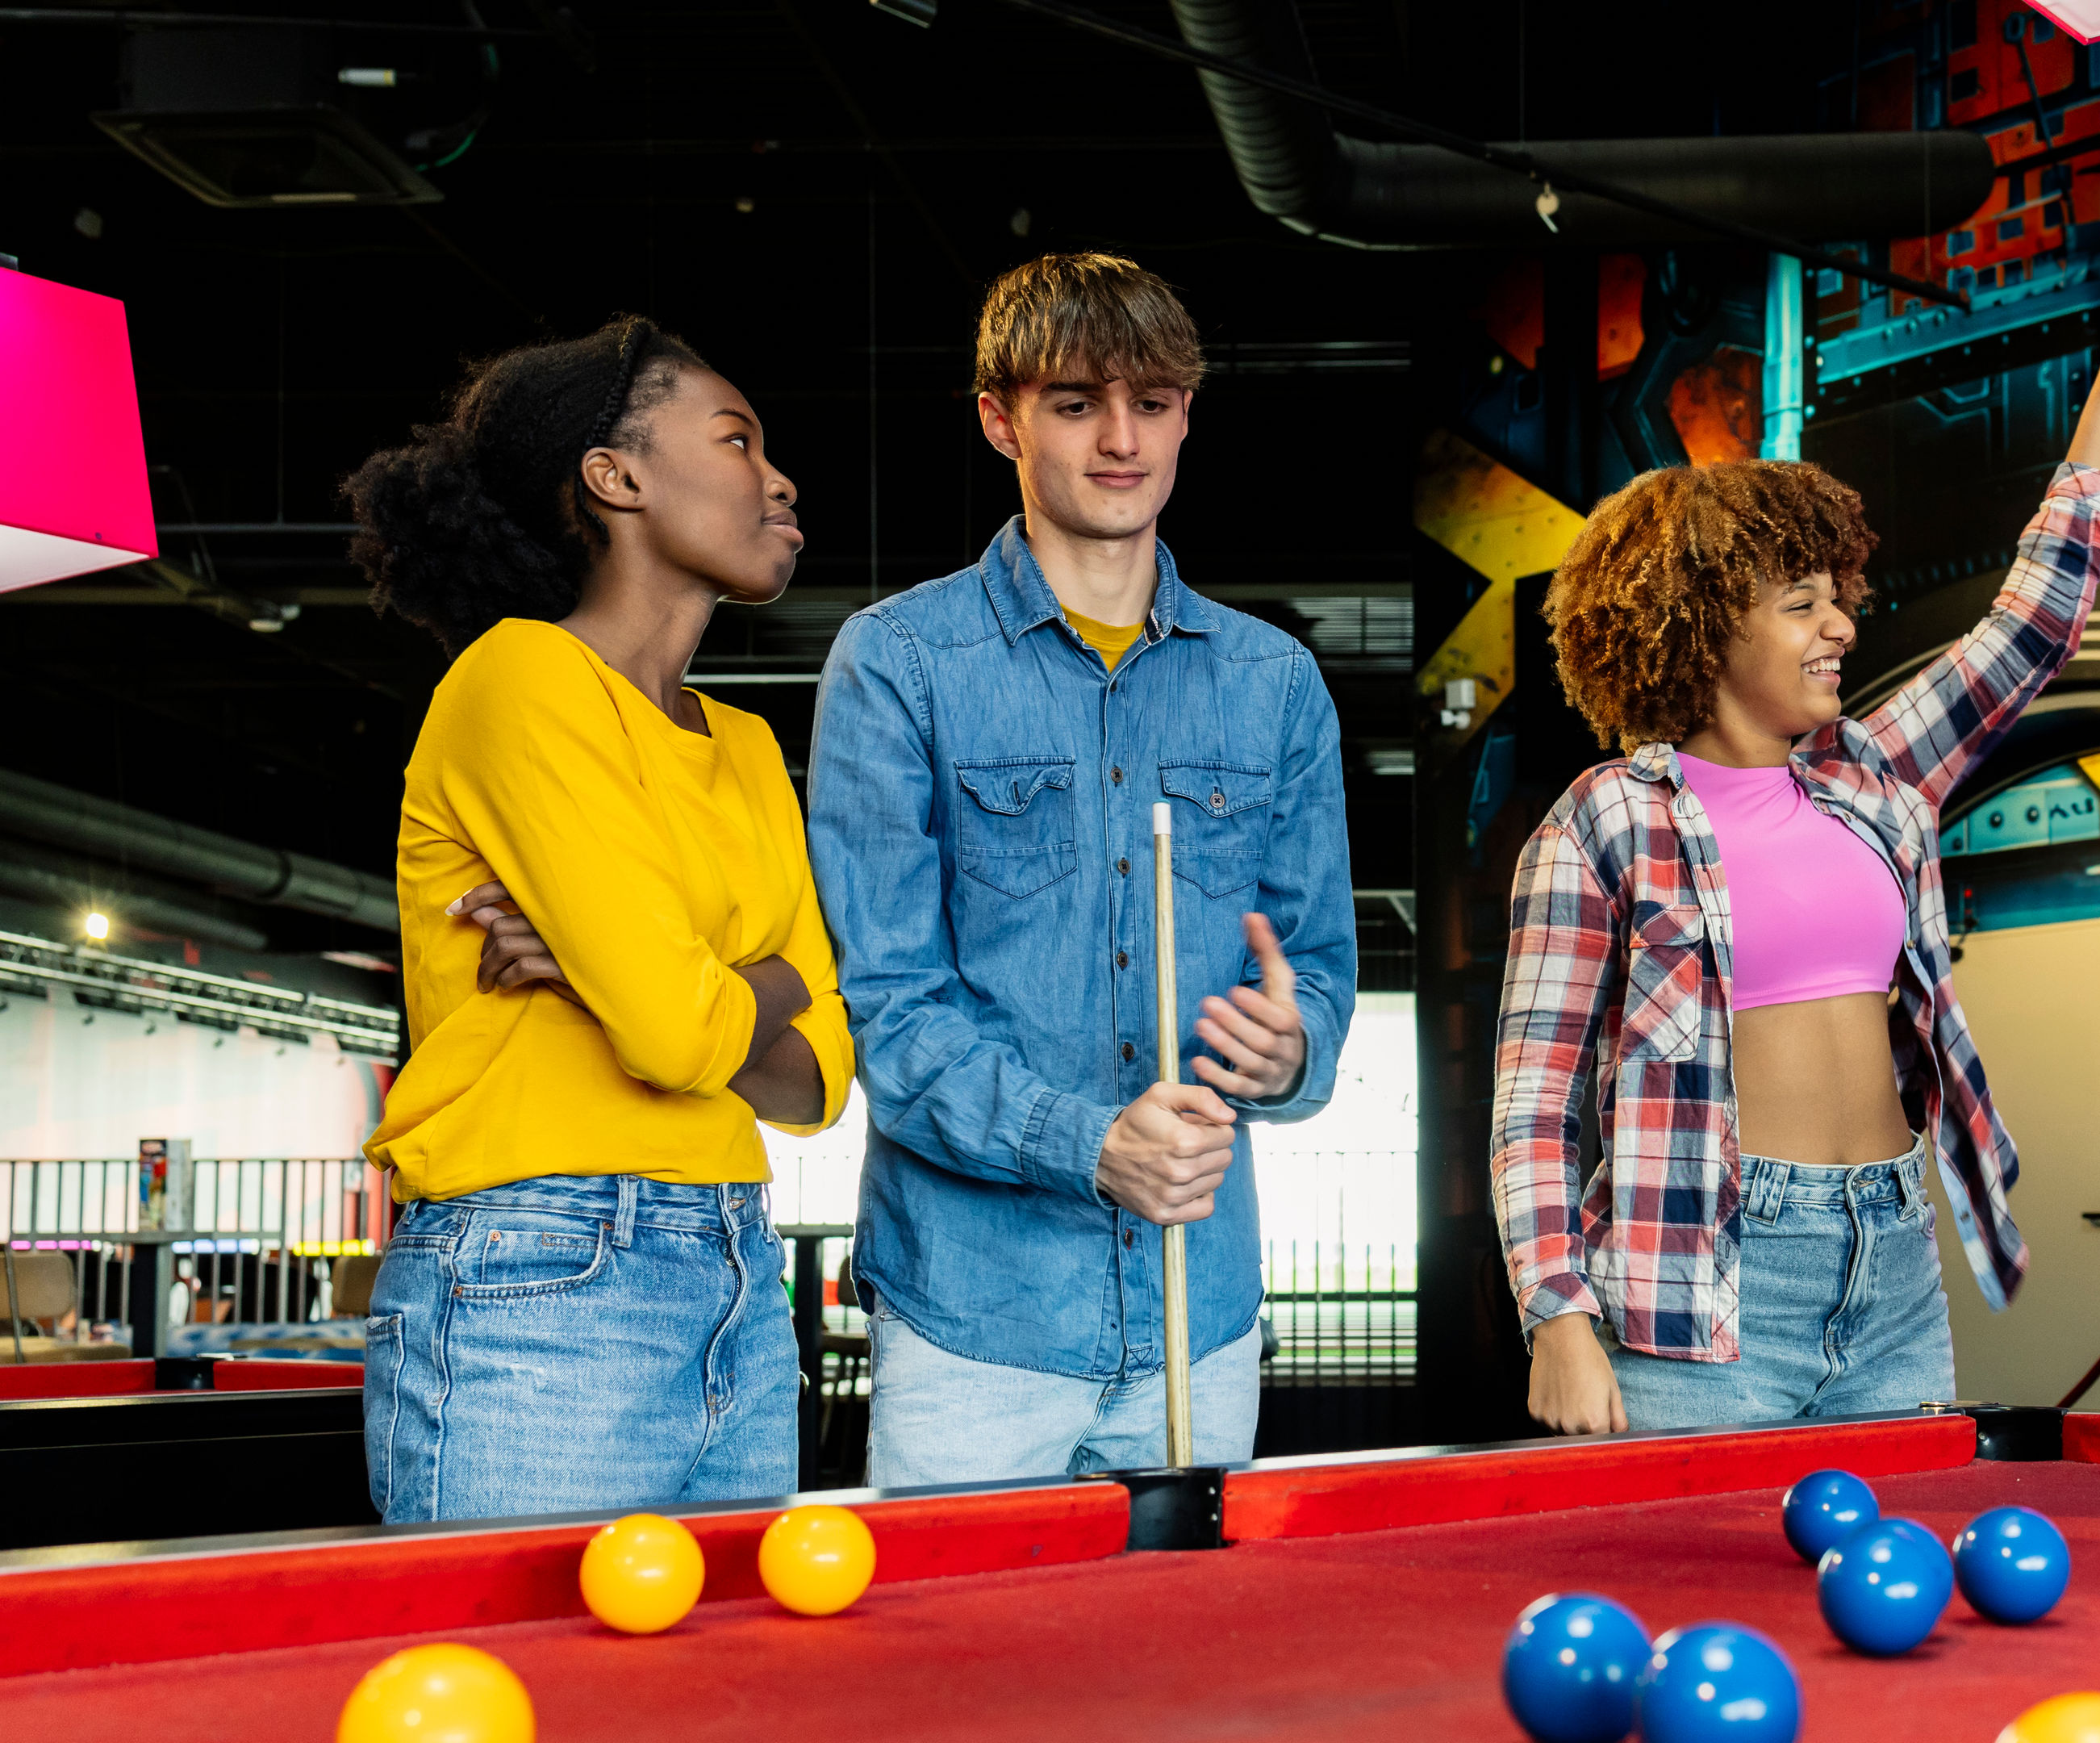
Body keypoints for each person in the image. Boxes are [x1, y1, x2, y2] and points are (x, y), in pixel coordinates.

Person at [1497, 290, 2100, 1435]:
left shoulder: (1873, 774)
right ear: (1704, 623)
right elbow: (1534, 1101)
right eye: (1802, 602)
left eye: (1839, 598)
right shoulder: (1603, 821)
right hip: (1700, 1281)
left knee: (1883, 1589)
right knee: (1702, 1599)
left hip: (1891, 1254)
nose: (1842, 628)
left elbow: (2029, 626)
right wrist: (1557, 1316)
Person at [808, 253, 1355, 1482]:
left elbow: (1315, 973)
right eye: (1075, 403)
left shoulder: (1273, 681)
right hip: (973, 1329)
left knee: (1183, 1674)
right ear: (1001, 416)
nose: (1121, 439)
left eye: (1152, 403)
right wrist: (1087, 1143)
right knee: (968, 1672)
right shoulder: (899, 662)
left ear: (1185, 416)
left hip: (1199, 1320)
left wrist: (1293, 1049)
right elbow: (889, 1014)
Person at [347, 316, 854, 1522]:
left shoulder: (746, 744)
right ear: (614, 476)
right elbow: (687, 1035)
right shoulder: (519, 678)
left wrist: (610, 974)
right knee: (526, 1688)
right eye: (736, 439)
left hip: (737, 1263)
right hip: (539, 1261)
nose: (777, 478)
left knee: (711, 1696)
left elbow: (822, 1079)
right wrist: (751, 975)